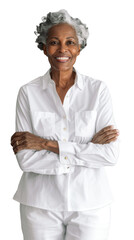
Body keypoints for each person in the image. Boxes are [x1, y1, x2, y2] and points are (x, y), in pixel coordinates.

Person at [11, 9, 120, 240]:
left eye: (70, 42)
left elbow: (109, 154)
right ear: (43, 48)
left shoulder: (97, 91)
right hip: (39, 205)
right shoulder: (28, 93)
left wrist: (45, 143)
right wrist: (87, 148)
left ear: (79, 48)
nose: (62, 49)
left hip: (91, 204)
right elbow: (26, 160)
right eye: (54, 42)